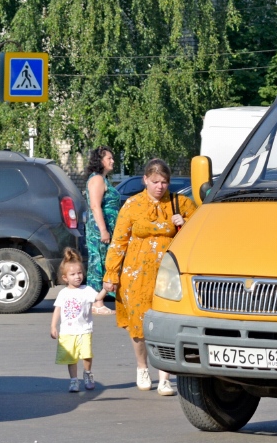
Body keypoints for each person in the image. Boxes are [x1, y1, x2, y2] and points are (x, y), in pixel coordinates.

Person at [102, 158, 196, 396]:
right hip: (136, 276)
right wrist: (111, 273)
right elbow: (118, 242)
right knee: (138, 327)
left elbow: (200, 237)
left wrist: (184, 224)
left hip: (169, 276)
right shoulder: (132, 205)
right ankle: (142, 368)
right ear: (145, 180)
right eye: (155, 181)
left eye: (164, 182)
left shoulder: (182, 203)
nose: (160, 187)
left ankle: (165, 377)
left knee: (166, 327)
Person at [50, 248, 106, 393]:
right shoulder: (63, 293)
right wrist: (53, 326)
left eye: (79, 273)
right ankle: (74, 380)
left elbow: (98, 298)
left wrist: (105, 289)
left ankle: (87, 374)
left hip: (84, 330)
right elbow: (58, 309)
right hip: (67, 332)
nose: (77, 277)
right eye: (73, 274)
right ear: (65, 277)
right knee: (71, 358)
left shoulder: (86, 290)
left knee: (86, 355)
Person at [83, 146, 122, 311]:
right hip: (100, 230)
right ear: (100, 161)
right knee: (99, 263)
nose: (112, 161)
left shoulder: (103, 179)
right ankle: (96, 302)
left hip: (107, 228)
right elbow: (95, 206)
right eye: (109, 158)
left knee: (107, 262)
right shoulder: (97, 179)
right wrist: (104, 230)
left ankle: (99, 299)